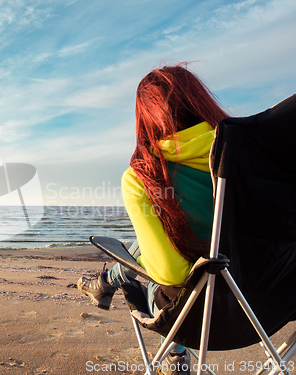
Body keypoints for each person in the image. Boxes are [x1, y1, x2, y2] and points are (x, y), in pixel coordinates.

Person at [77, 63, 228, 375]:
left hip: (204, 315)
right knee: (167, 236)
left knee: (157, 259)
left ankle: (110, 283)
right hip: (273, 302)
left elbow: (170, 274)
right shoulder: (252, 153)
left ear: (147, 118)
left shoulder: (144, 177)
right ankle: (105, 284)